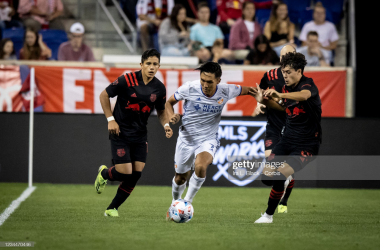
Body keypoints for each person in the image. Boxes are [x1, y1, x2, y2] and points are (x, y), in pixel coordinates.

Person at [165, 62, 256, 220]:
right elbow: (169, 103)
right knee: (180, 177)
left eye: (210, 82)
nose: (205, 85)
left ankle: (187, 202)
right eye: (203, 80)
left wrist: (261, 99)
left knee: (200, 167)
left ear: (218, 80)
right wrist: (171, 116)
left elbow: (250, 90)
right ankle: (175, 203)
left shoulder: (226, 90)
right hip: (187, 138)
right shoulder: (189, 88)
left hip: (208, 138)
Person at [94, 49, 173, 217]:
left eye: (155, 64)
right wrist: (110, 120)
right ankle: (104, 173)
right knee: (124, 171)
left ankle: (112, 208)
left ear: (159, 66)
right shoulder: (127, 79)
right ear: (141, 65)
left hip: (140, 134)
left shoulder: (159, 88)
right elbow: (103, 96)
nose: (152, 67)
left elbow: (160, 111)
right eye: (148, 64)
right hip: (120, 131)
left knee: (136, 174)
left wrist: (165, 124)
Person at [251, 52, 322, 223]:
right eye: (283, 72)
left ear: (299, 71)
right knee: (266, 178)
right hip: (286, 141)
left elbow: (304, 96)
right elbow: (283, 108)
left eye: (289, 72)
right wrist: (264, 101)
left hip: (307, 144)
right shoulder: (285, 88)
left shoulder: (308, 85)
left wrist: (280, 95)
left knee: (280, 174)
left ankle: (268, 216)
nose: (285, 76)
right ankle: (284, 180)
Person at [251, 44, 295, 214]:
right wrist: (259, 103)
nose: (287, 59)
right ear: (280, 58)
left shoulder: (300, 80)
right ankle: (286, 181)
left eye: (291, 55)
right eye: (285, 56)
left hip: (293, 128)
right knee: (268, 176)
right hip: (274, 127)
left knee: (281, 168)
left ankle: (282, 200)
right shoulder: (270, 75)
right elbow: (260, 91)